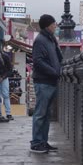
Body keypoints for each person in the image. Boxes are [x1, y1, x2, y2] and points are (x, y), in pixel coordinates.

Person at [30, 14, 63, 153]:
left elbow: (57, 58)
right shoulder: (40, 40)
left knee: (47, 114)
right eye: (54, 24)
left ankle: (43, 141)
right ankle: (36, 142)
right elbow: (38, 61)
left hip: (50, 80)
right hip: (43, 81)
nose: (56, 26)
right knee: (40, 113)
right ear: (48, 25)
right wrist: (54, 71)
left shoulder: (49, 39)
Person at [0, 47, 14, 121]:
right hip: (2, 78)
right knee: (5, 96)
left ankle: (5, 113)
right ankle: (7, 114)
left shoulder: (5, 57)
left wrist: (2, 77)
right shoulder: (5, 57)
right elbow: (10, 70)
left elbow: (9, 70)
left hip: (1, 78)